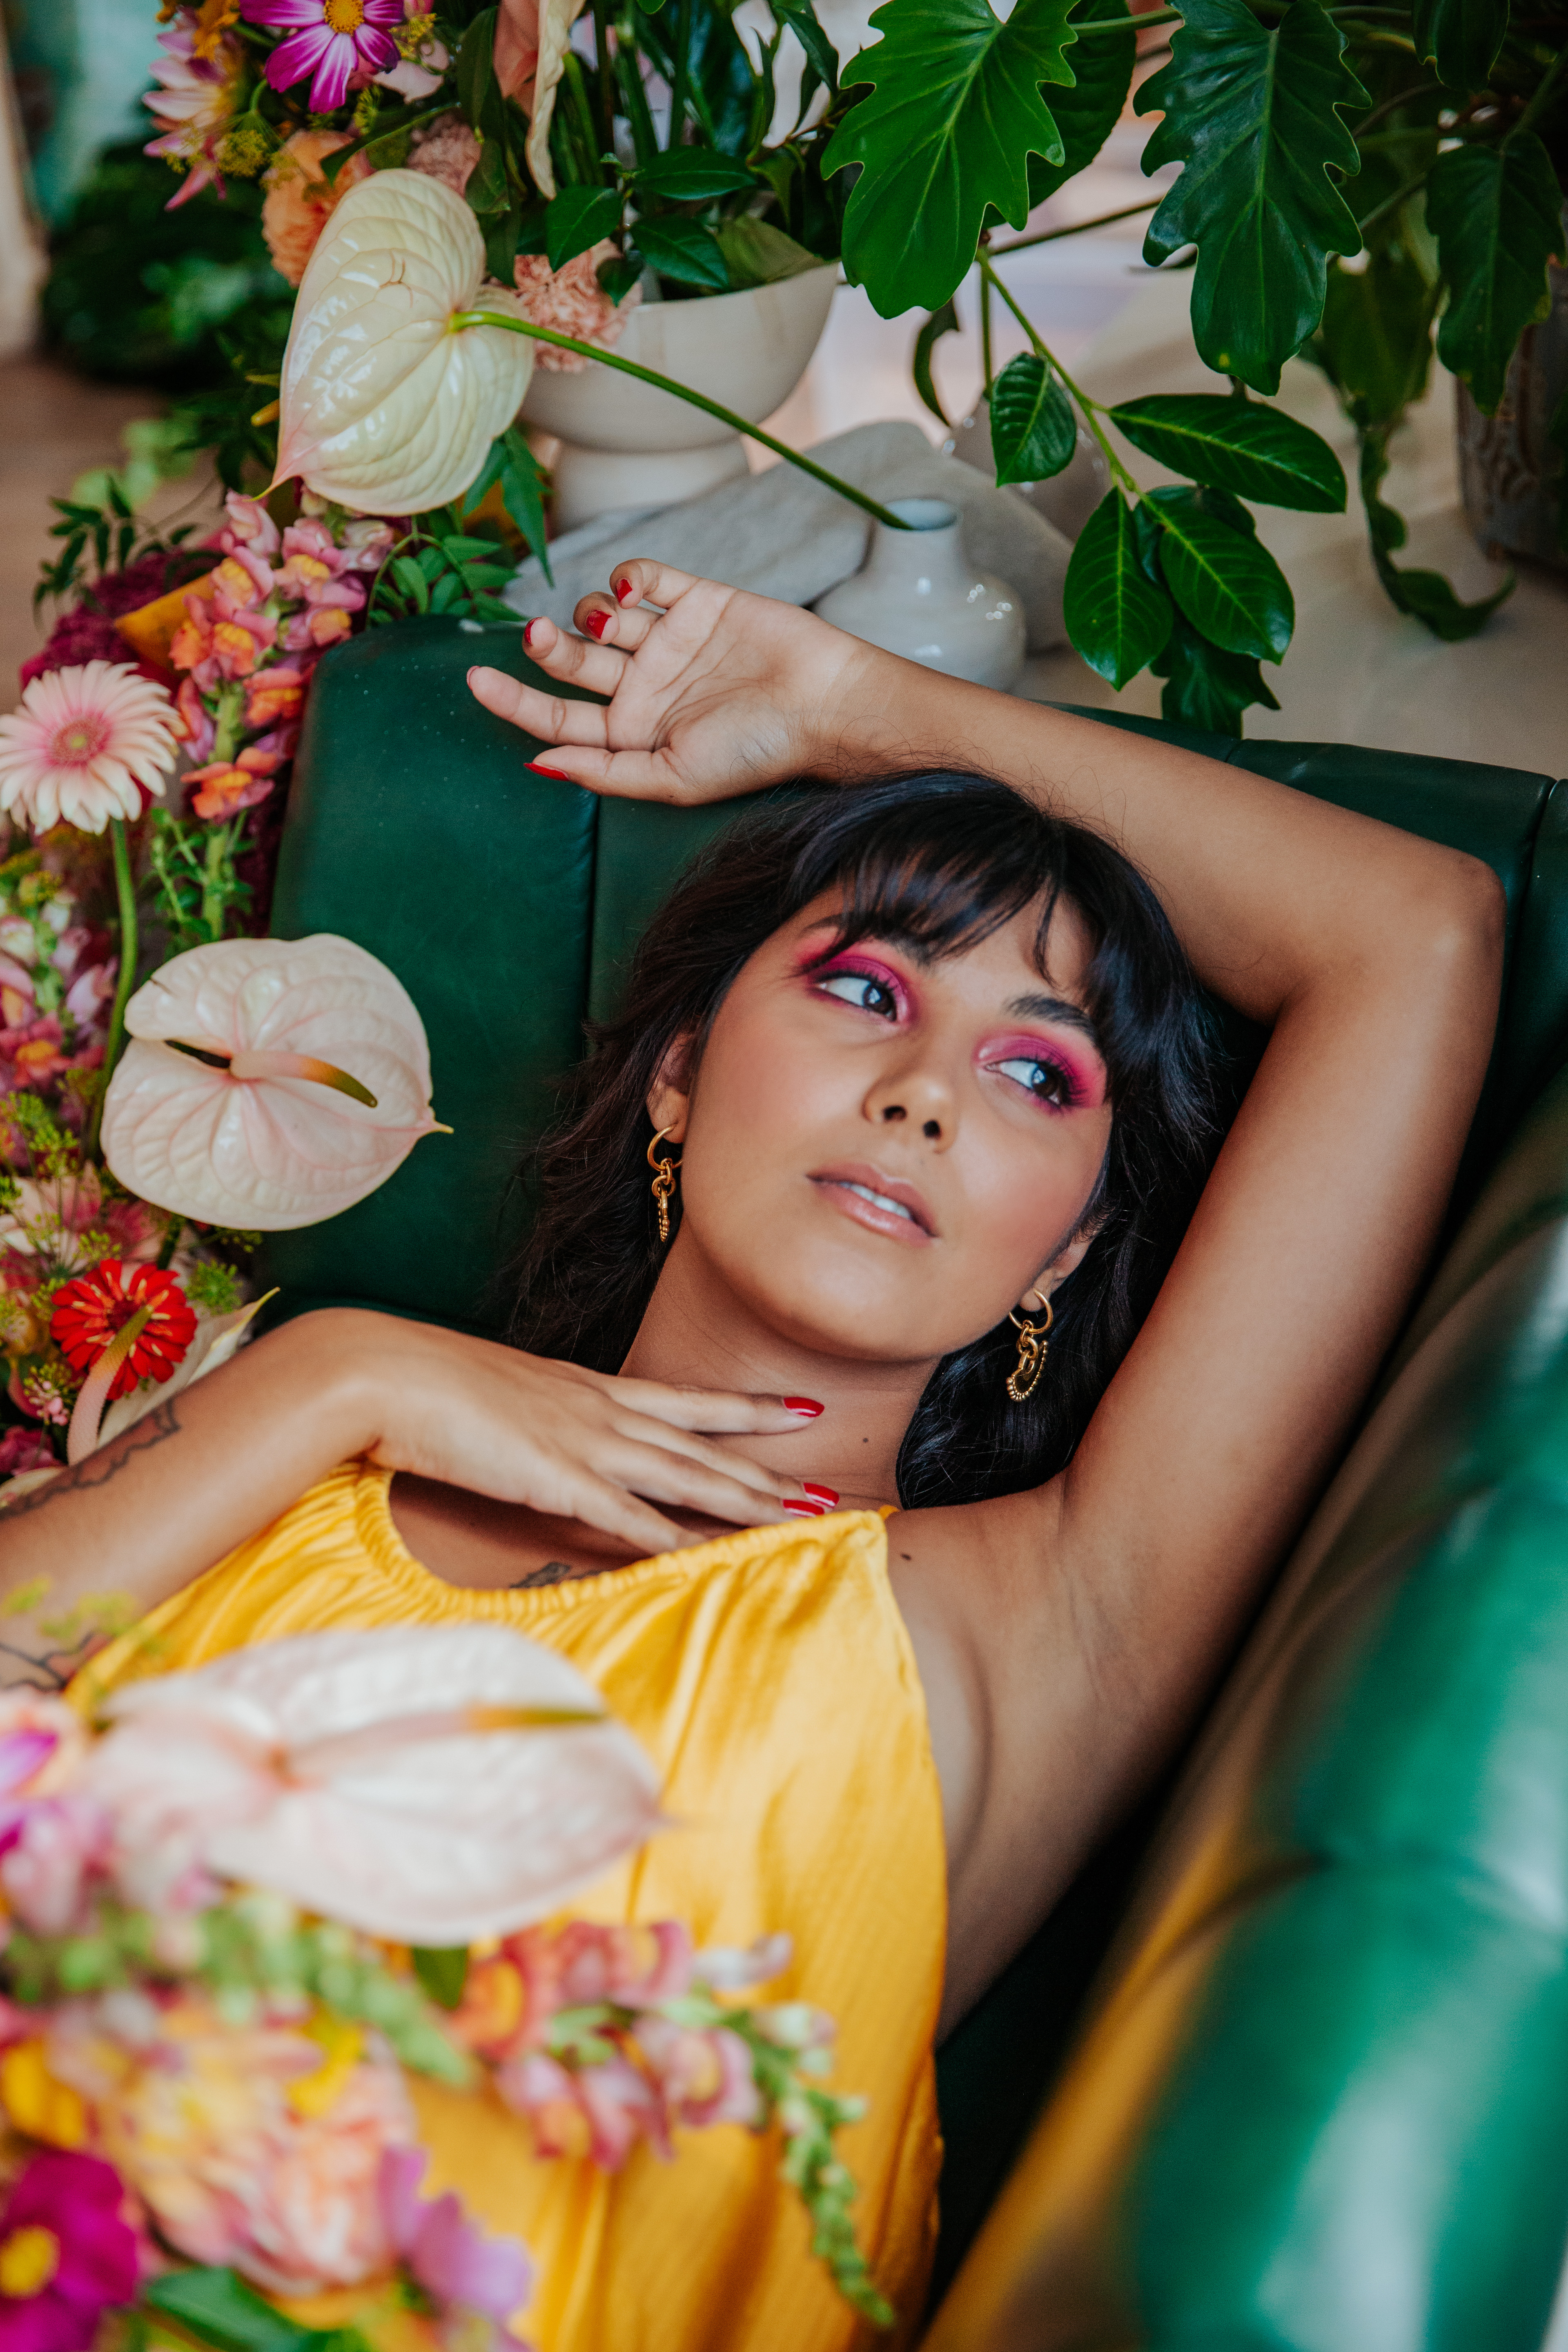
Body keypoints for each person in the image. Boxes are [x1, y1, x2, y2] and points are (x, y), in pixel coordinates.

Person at [0, 563, 1501, 2350]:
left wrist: (857, 708)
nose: (928, 1089)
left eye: (1040, 1078)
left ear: (1072, 1253)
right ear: (682, 1079)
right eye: (869, 990)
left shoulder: (1041, 1617)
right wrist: (336, 1375)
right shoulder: (310, 1450)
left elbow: (1416, 935)